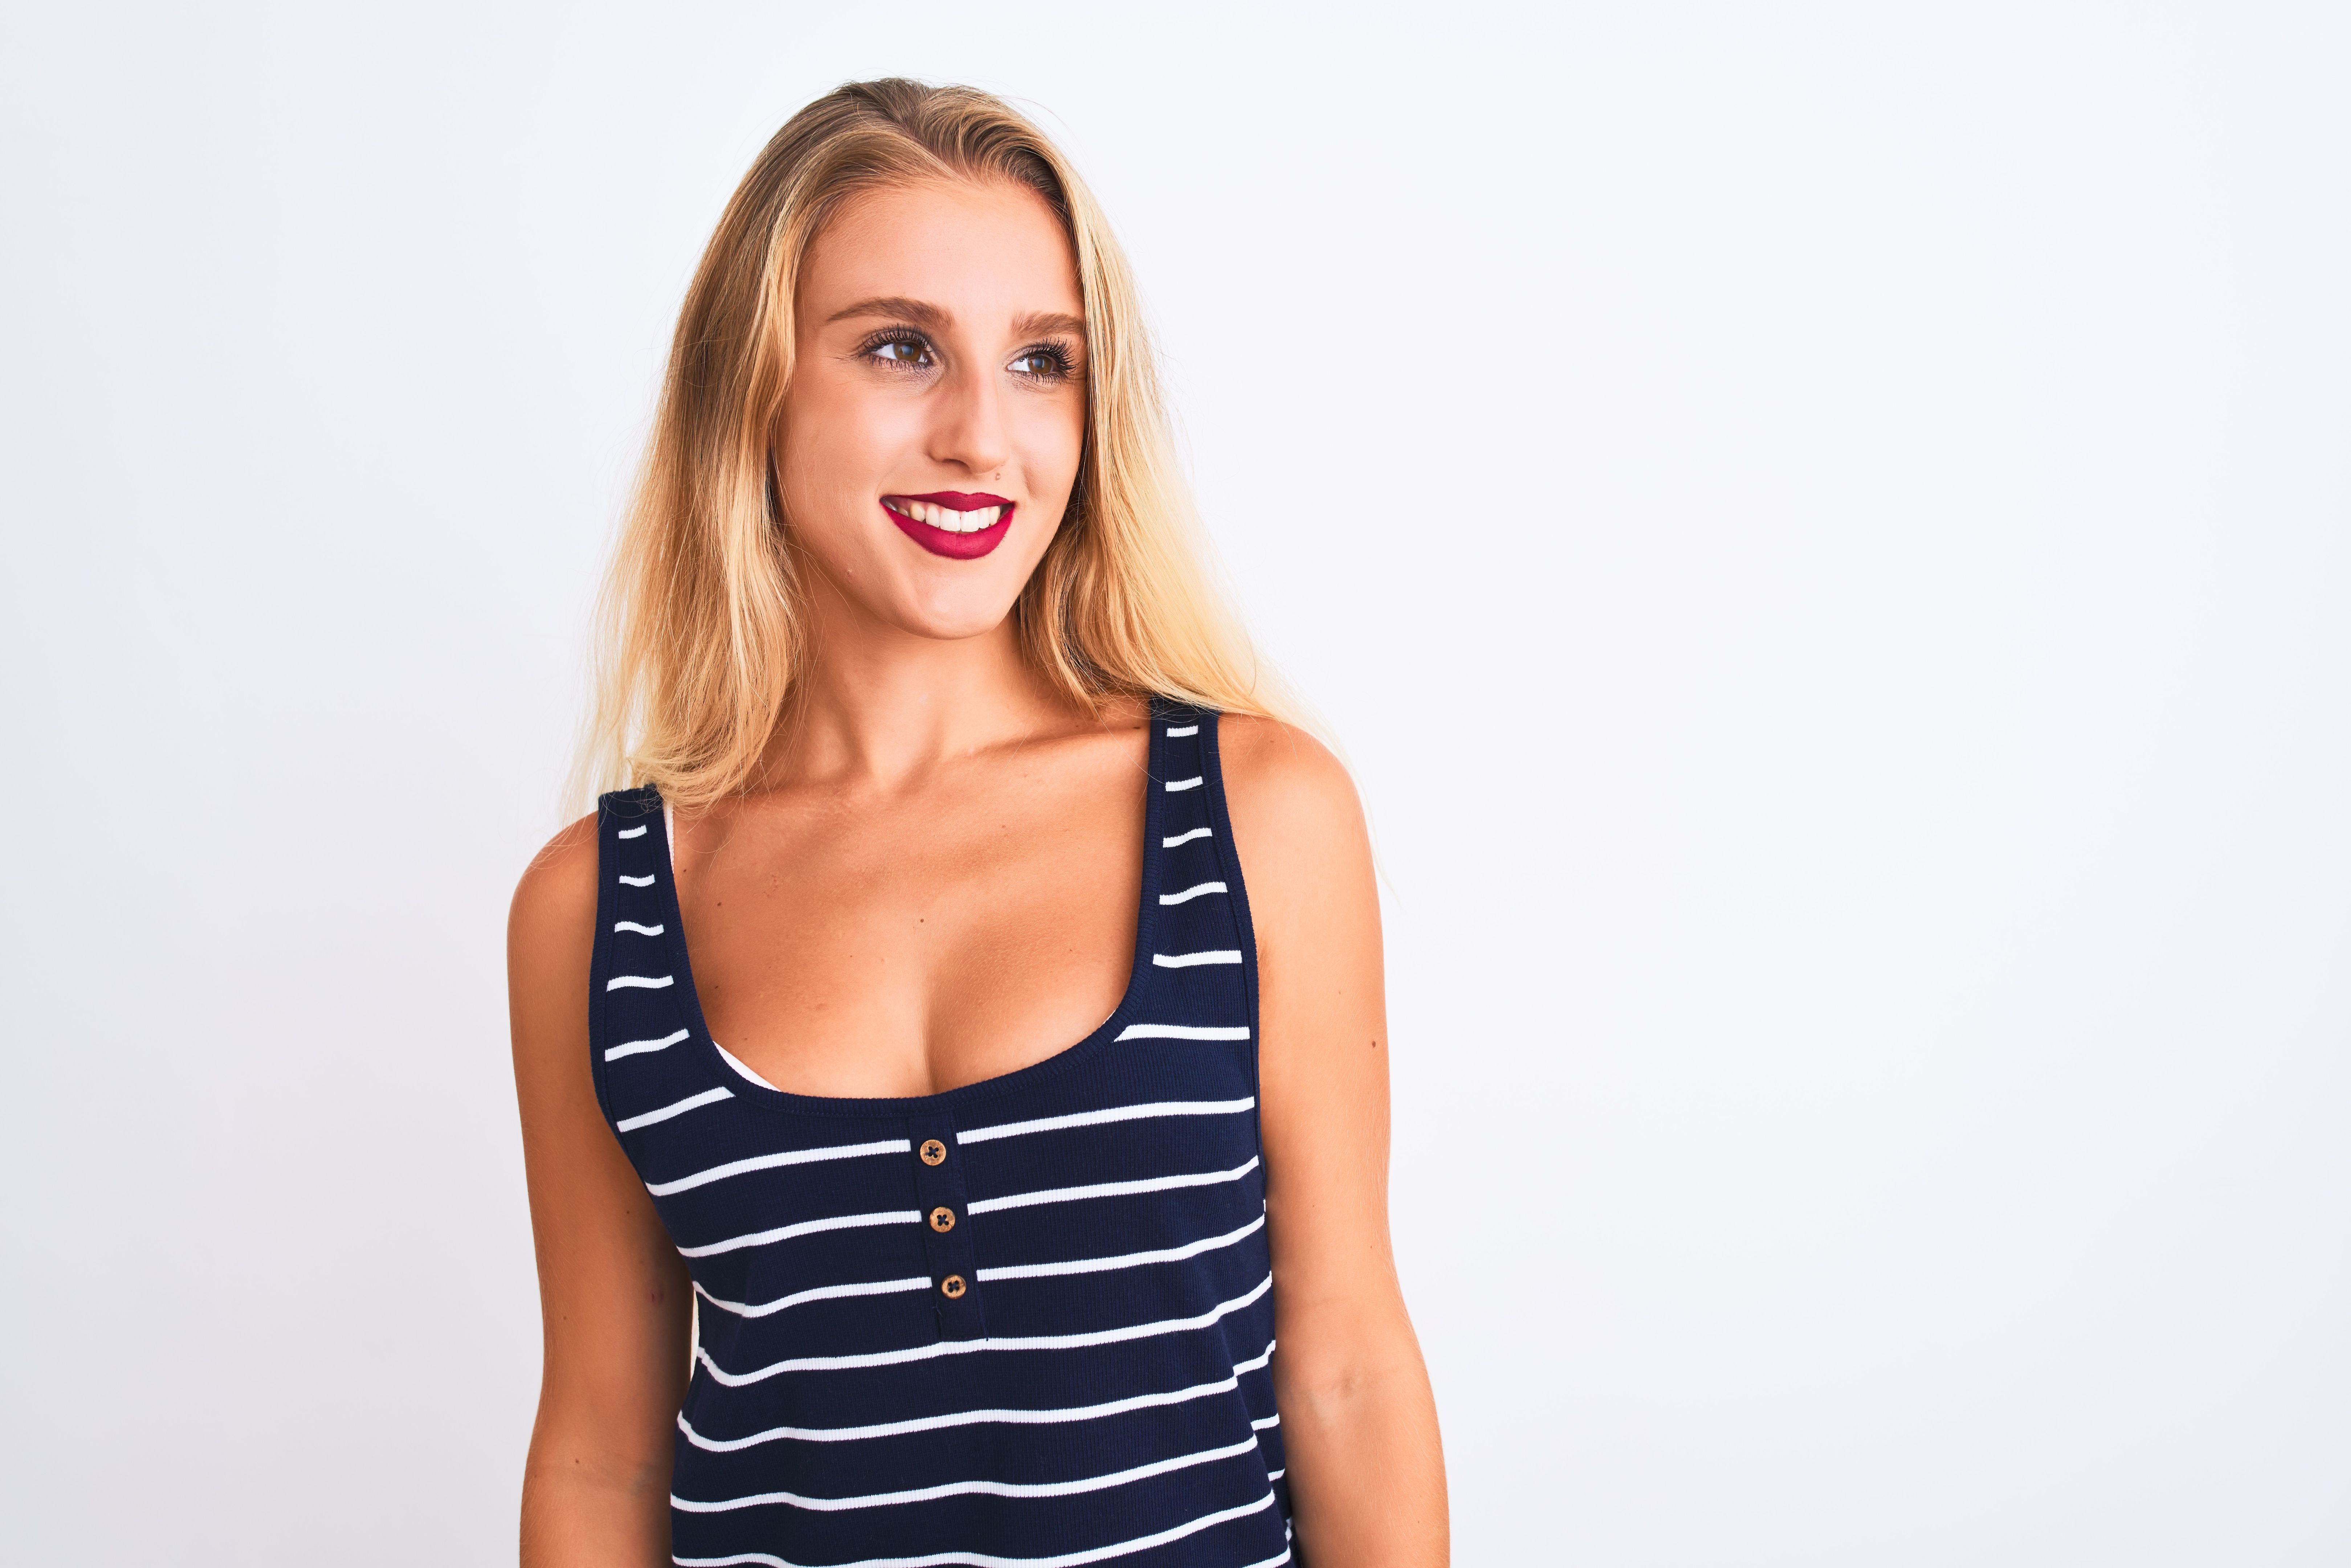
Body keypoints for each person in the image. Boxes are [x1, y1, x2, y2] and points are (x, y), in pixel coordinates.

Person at [507, 78, 1446, 1567]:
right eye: (899, 348)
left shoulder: (1259, 822)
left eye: (1041, 363)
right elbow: (601, 1458)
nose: (979, 435)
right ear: (750, 388)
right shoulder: (607, 907)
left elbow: (1346, 1371)